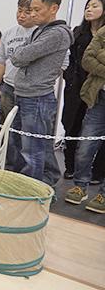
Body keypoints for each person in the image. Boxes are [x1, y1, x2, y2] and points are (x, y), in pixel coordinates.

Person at [8, 0, 73, 186]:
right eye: (31, 10)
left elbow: (19, 56)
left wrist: (22, 54)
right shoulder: (40, 30)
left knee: (32, 149)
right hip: (25, 93)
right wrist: (22, 54)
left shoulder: (57, 34)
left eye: (37, 9)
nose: (32, 14)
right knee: (28, 143)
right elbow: (20, 54)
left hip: (37, 97)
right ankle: (43, 180)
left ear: (54, 8)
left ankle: (30, 189)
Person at [61, 0, 105, 181]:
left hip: (98, 88)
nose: (89, 9)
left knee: (96, 133)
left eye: (94, 6)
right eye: (87, 6)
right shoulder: (78, 33)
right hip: (76, 86)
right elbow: (81, 60)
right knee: (72, 125)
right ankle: (71, 166)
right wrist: (69, 77)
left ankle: (97, 172)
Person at [64, 24, 105, 213]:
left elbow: (95, 57)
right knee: (85, 146)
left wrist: (101, 56)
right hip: (99, 97)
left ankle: (103, 195)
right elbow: (87, 59)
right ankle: (80, 186)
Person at [0, 0, 35, 122]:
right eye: (19, 10)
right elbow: (1, 62)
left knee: (26, 126)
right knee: (7, 123)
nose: (21, 15)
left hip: (30, 90)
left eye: (27, 12)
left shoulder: (41, 33)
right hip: (8, 86)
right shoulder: (9, 33)